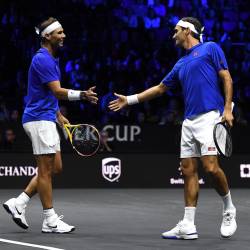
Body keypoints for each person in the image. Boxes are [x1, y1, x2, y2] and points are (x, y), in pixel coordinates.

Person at [109, 17, 236, 239]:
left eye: (176, 30)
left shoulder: (210, 48)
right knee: (188, 171)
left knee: (211, 168)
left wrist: (227, 108)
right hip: (188, 122)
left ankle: (229, 209)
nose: (173, 35)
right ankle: (188, 225)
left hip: (210, 117)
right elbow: (159, 89)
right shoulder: (180, 64)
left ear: (187, 31)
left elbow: (226, 77)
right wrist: (128, 100)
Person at [3, 17, 98, 233]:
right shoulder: (43, 59)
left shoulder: (51, 59)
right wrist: (82, 94)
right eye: (59, 33)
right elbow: (56, 91)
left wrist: (57, 114)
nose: (64, 36)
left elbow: (44, 93)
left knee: (55, 167)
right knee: (45, 171)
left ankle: (19, 203)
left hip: (46, 116)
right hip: (38, 119)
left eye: (63, 32)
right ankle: (50, 220)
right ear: (47, 36)